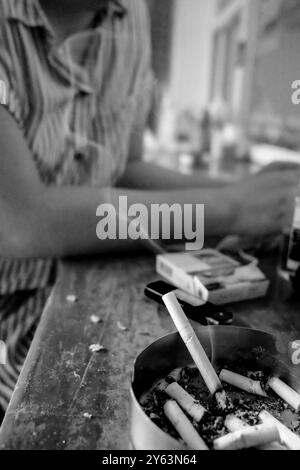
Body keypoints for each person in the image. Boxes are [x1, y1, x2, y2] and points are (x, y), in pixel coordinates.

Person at [0, 0, 298, 415]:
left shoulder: (129, 11)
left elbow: (126, 168)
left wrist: (252, 196)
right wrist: (230, 207)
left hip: (92, 271)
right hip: (14, 313)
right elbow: (21, 221)